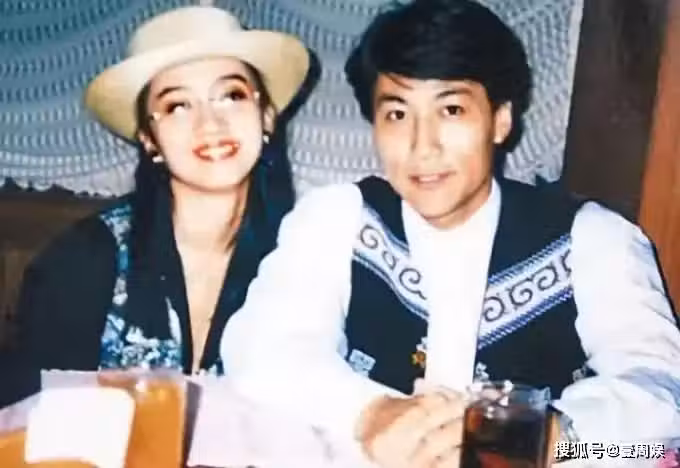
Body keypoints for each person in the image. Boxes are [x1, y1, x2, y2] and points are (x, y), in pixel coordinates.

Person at [220, 0, 680, 466]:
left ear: (500, 120)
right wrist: (370, 412)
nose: (423, 146)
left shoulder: (591, 240)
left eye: (452, 110)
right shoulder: (339, 219)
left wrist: (550, 436)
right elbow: (262, 348)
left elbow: (662, 392)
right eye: (397, 115)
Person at [8, 6, 309, 381]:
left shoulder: (305, 259)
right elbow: (39, 407)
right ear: (149, 140)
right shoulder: (84, 260)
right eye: (178, 105)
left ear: (266, 117)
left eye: (231, 95)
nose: (210, 124)